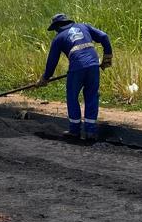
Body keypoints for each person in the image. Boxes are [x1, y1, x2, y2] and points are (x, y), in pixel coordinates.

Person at [38, 13, 112, 143]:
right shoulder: (84, 26)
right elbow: (104, 36)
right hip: (93, 65)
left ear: (57, 27)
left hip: (77, 67)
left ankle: (74, 130)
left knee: (72, 97)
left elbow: (52, 61)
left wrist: (45, 78)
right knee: (91, 96)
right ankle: (90, 131)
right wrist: (107, 56)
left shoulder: (59, 38)